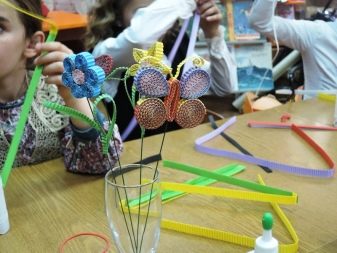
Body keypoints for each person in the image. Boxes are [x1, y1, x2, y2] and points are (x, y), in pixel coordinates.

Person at [0, 0, 123, 174]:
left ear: (32, 44)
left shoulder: (56, 91)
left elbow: (104, 162)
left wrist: (74, 99)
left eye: (0, 28)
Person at [86, 0, 237, 139]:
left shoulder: (176, 45)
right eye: (142, 13)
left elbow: (223, 87)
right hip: (132, 159)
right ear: (118, 18)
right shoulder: (107, 52)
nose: (155, 22)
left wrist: (213, 34)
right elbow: (139, 37)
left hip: (175, 151)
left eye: (160, 11)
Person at [248, 0, 337, 94]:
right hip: (318, 106)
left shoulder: (318, 33)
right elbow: (260, 22)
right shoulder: (318, 33)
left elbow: (260, 22)